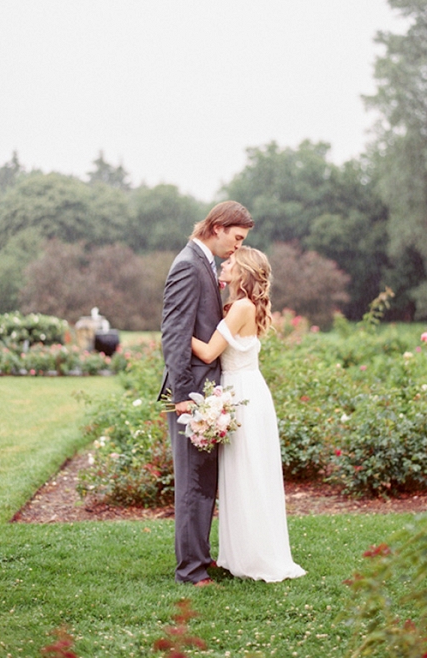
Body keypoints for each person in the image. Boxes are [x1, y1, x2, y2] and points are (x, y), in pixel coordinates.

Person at [191, 247, 306, 583]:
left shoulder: (241, 306)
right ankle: (244, 551)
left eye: (229, 262)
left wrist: (177, 333)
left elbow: (210, 350)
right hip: (246, 390)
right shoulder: (243, 306)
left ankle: (255, 556)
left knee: (248, 472)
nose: (223, 264)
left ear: (242, 271)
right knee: (246, 472)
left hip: (242, 393)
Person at [159, 201, 254, 585]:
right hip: (189, 394)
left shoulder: (205, 265)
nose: (237, 247)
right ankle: (190, 570)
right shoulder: (187, 265)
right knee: (193, 484)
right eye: (236, 237)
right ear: (217, 227)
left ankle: (201, 557)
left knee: (204, 481)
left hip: (205, 393)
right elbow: (175, 334)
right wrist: (183, 394)